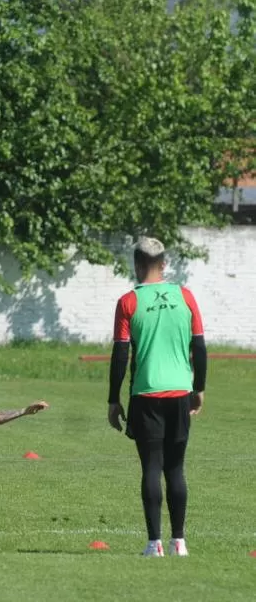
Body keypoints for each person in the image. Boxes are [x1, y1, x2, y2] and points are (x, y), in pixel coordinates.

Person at [108, 237, 207, 558]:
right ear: (164, 264)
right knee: (175, 468)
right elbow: (200, 348)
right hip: (180, 391)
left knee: (151, 467)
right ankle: (180, 542)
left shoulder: (128, 302)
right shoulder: (186, 297)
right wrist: (199, 389)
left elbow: (120, 355)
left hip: (146, 393)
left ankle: (154, 544)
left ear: (137, 264)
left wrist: (113, 399)